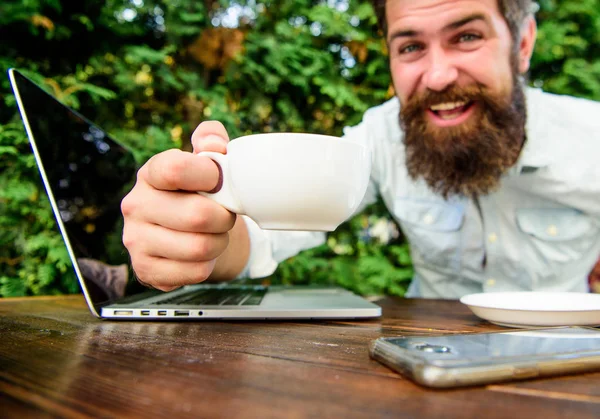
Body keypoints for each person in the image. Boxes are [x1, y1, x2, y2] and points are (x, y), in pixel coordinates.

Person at [121, 0, 600, 298]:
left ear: (522, 44)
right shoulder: (380, 137)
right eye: (410, 47)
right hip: (421, 358)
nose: (437, 76)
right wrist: (201, 235)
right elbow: (260, 237)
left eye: (467, 37)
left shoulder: (591, 135)